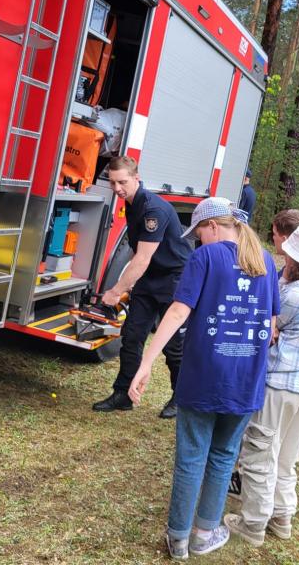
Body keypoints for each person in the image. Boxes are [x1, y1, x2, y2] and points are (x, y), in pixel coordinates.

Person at [128, 197, 279, 558]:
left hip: (204, 376)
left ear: (213, 226)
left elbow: (179, 310)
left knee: (192, 457)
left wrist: (146, 361)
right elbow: (271, 327)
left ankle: (178, 539)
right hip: (246, 381)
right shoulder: (267, 262)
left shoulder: (205, 258)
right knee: (224, 457)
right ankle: (203, 535)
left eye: (199, 232)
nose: (197, 240)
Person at [225, 224, 299, 547]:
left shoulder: (291, 294)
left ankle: (253, 524)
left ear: (294, 258)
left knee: (260, 453)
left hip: (281, 383)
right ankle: (282, 516)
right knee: (286, 456)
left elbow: (269, 327)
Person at [92, 156, 190, 419]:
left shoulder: (153, 209)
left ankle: (181, 399)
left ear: (137, 178)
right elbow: (141, 256)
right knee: (132, 335)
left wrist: (115, 290)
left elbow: (142, 258)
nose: (117, 188)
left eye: (122, 182)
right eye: (112, 183)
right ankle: (123, 394)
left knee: (172, 345)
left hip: (173, 278)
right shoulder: (131, 203)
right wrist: (132, 284)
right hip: (149, 277)